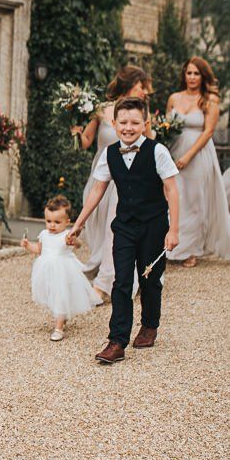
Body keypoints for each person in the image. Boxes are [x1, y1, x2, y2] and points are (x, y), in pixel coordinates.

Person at [68, 96, 180, 364]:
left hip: (154, 226)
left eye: (134, 122)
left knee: (150, 279)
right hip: (125, 227)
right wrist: (78, 223)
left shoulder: (158, 151)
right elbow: (97, 190)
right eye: (123, 122)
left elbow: (172, 189)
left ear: (145, 123)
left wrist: (174, 229)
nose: (128, 128)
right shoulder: (109, 154)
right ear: (113, 122)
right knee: (121, 281)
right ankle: (117, 341)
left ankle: (150, 324)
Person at [71, 65, 151, 299]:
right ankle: (106, 266)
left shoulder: (142, 113)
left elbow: (151, 145)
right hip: (100, 174)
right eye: (141, 85)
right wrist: (75, 132)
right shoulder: (101, 110)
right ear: (129, 84)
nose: (145, 91)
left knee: (114, 226)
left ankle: (106, 282)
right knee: (97, 224)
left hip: (127, 175)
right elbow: (86, 141)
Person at [166, 56, 230, 265]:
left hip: (198, 153)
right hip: (174, 152)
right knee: (174, 197)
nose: (192, 77)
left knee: (194, 200)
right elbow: (165, 127)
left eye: (196, 73)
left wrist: (188, 156)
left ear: (203, 76)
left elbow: (209, 131)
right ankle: (172, 244)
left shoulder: (209, 100)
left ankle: (192, 249)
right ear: (184, 75)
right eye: (189, 73)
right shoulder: (174, 98)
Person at [21, 195, 102, 341]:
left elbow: (78, 245)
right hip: (46, 270)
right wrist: (28, 246)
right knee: (52, 295)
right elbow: (39, 249)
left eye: (57, 222)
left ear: (67, 222)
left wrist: (73, 239)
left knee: (60, 295)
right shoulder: (44, 234)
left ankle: (58, 328)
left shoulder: (66, 235)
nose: (52, 225)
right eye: (49, 221)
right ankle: (61, 316)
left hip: (62, 271)